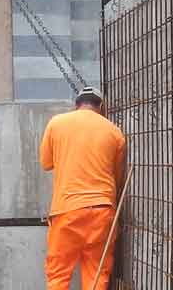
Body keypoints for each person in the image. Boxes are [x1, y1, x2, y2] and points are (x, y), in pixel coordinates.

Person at [40, 86, 128, 290]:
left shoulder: (56, 123)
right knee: (96, 273)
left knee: (58, 274)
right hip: (102, 211)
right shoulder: (115, 132)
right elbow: (118, 177)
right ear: (101, 106)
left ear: (76, 105)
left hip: (67, 211)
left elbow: (46, 163)